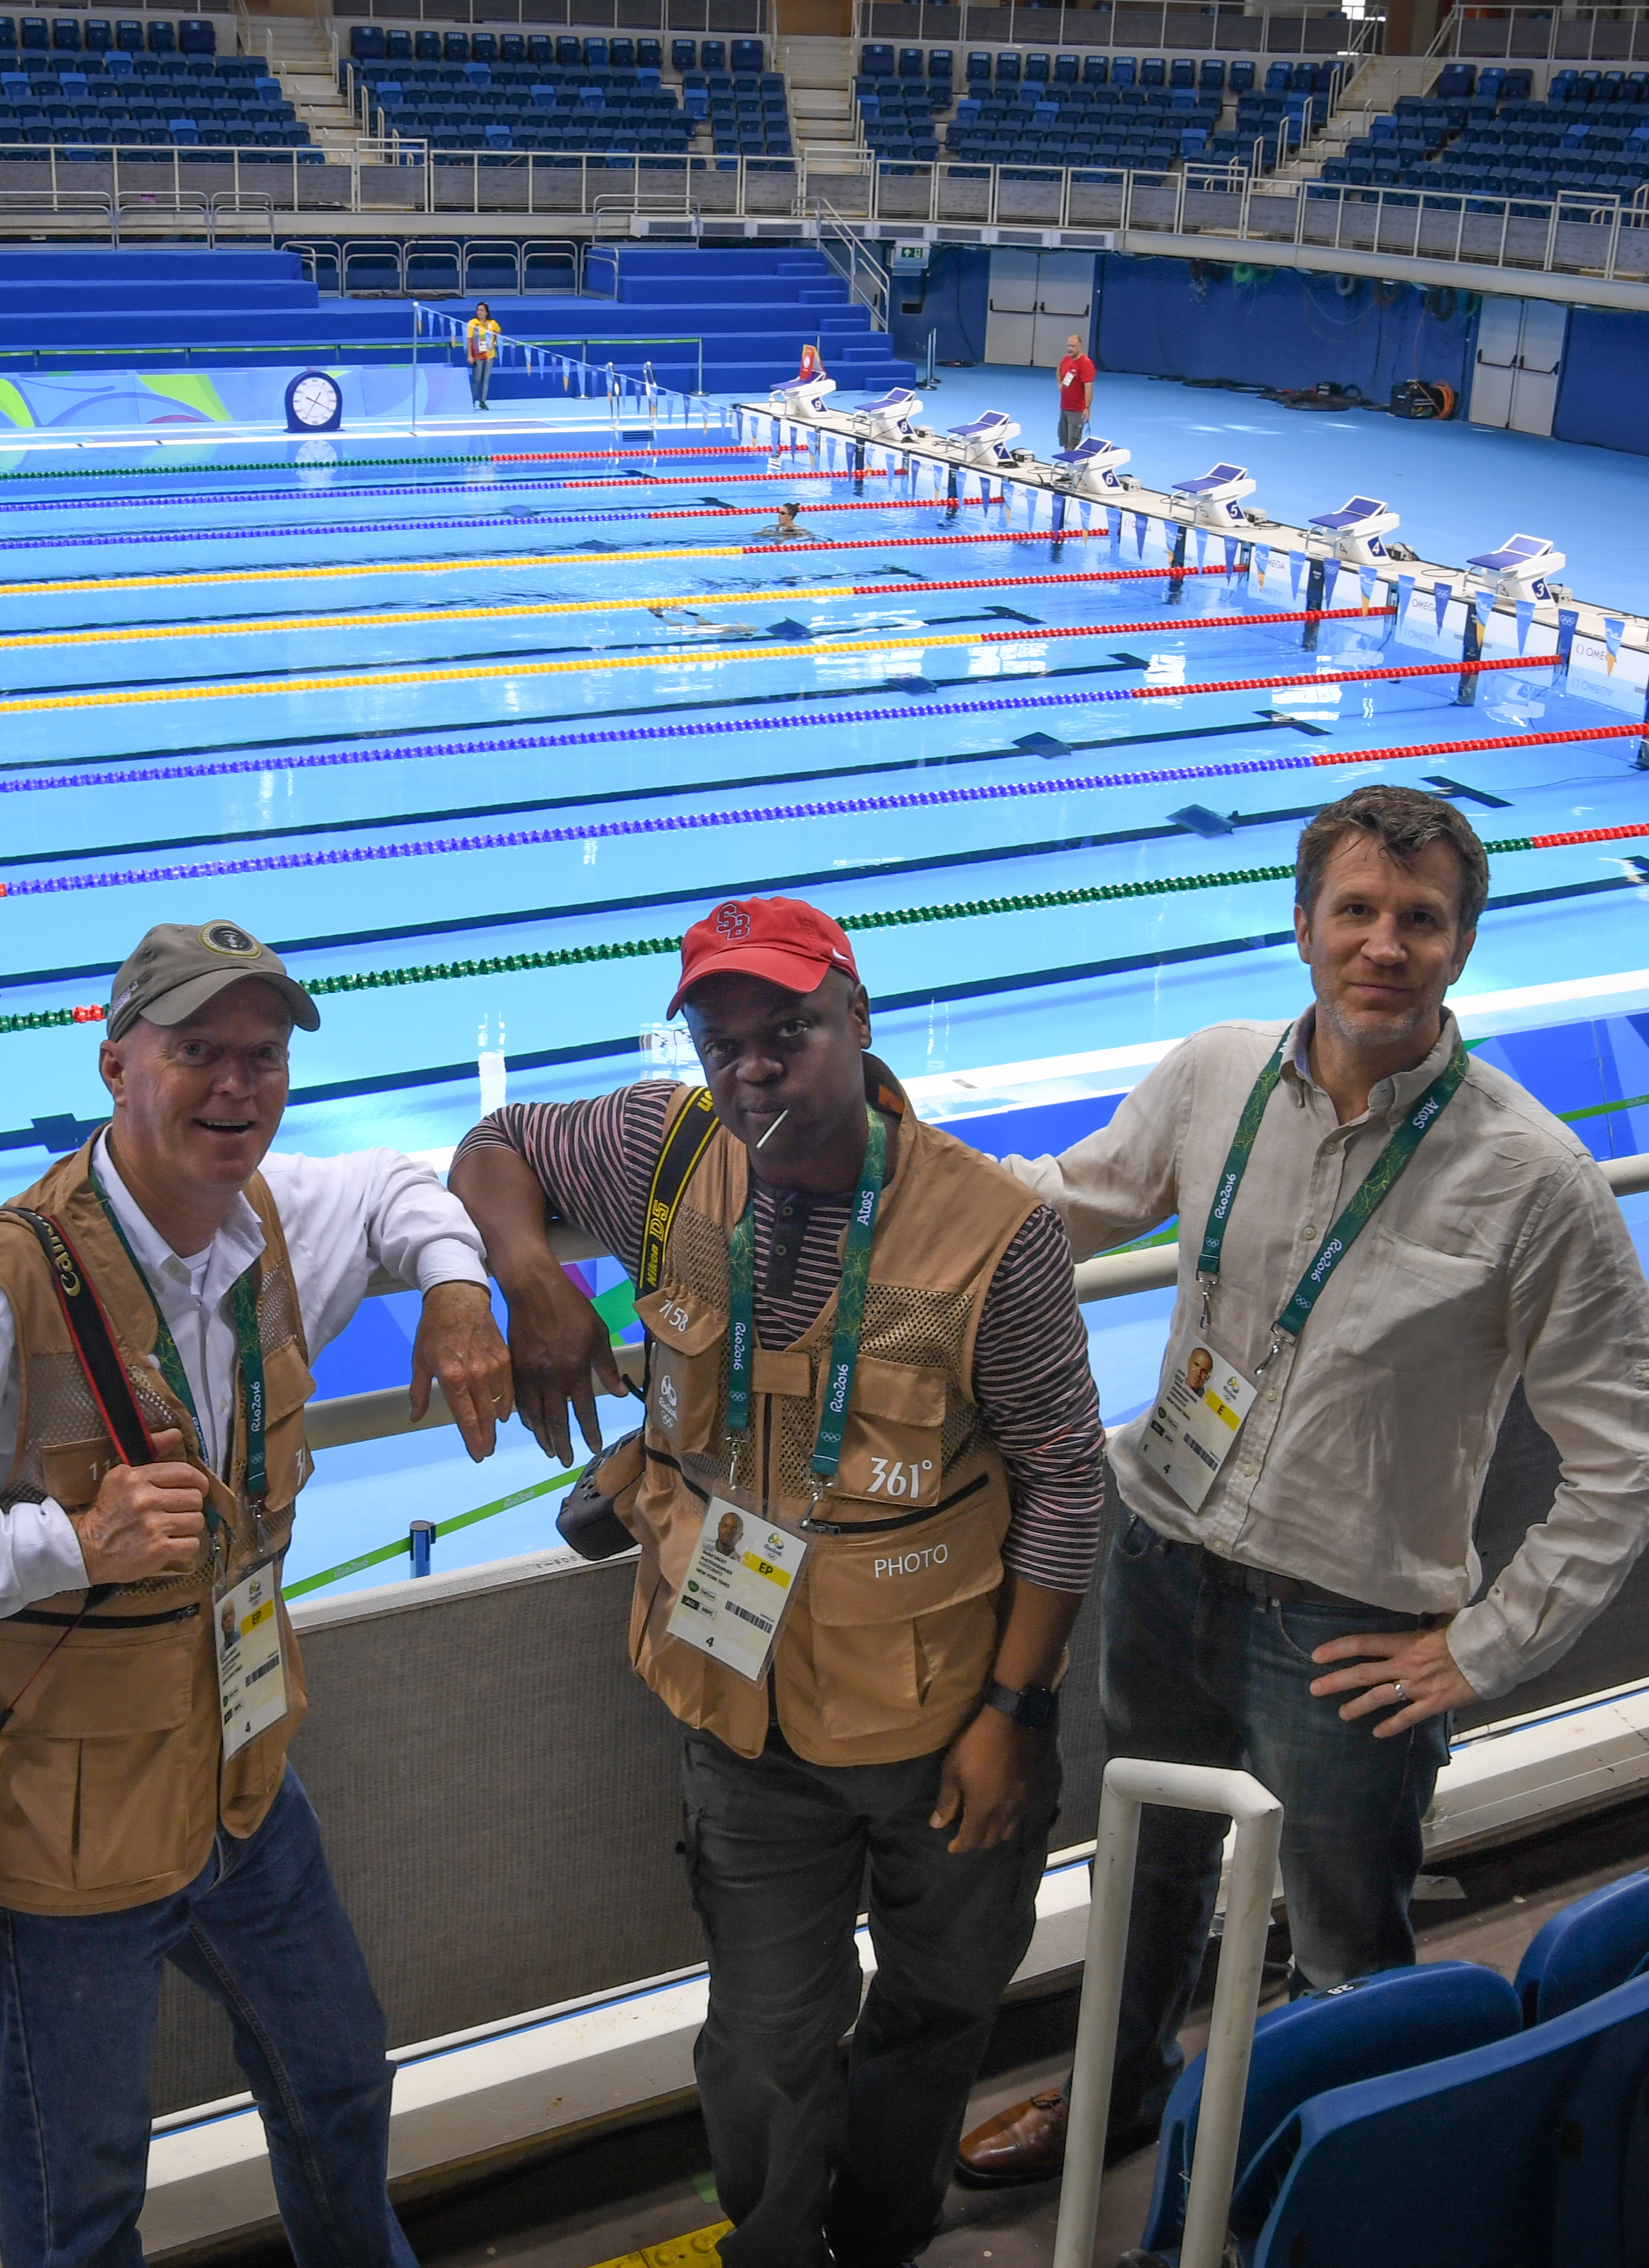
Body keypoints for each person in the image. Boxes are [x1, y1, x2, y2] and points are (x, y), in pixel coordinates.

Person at [953, 784, 1649, 2188]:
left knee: (1346, 1928)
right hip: (1162, 1560)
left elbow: (1638, 1439)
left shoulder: (1530, 1177)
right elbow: (1075, 1201)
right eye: (1354, 909)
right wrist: (896, 1174)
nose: (1383, 944)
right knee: (1142, 1874)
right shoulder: (1216, 1071)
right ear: (1303, 926)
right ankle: (1114, 2098)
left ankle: (1320, 2172)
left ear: (1460, 949)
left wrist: (1485, 1647)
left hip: (1349, 1628)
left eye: (1419, 920)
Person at [0, 917, 519, 2268]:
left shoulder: (276, 1223)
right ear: (118, 1062)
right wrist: (67, 1542)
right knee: (82, 2187)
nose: (237, 1085)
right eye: (197, 1053)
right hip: (66, 1829)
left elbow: (409, 1178)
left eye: (263, 1054)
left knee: (340, 2071)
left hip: (239, 1772)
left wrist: (459, 1289)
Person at [450, 896, 1111, 2268]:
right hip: (736, 1700)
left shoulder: (995, 1231)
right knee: (761, 2035)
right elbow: (494, 1144)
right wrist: (526, 1270)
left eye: (790, 1030)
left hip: (942, 1717)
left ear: (858, 1025)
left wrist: (1013, 1712)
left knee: (938, 2006)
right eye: (722, 1037)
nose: (754, 1065)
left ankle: (879, 2237)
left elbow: (1066, 1479)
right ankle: (770, 2247)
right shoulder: (664, 1143)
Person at [1055, 332, 1096, 452]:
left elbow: (1088, 387)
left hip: (1077, 410)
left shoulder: (1086, 364)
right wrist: (1060, 383)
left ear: (1080, 347)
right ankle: (1068, 466)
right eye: (1068, 346)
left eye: (1073, 346)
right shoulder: (1067, 359)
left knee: (1073, 442)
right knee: (1065, 440)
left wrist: (1087, 408)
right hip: (1064, 407)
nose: (1070, 349)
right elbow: (1059, 369)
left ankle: (1072, 468)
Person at [464, 299, 503, 411]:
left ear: (486, 312)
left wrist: (494, 341)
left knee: (486, 379)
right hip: (477, 355)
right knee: (476, 379)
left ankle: (483, 401)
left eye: (481, 311)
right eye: (478, 310)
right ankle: (472, 401)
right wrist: (470, 355)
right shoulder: (472, 323)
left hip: (489, 355)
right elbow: (469, 340)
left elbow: (499, 331)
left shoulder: (492, 323)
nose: (479, 312)